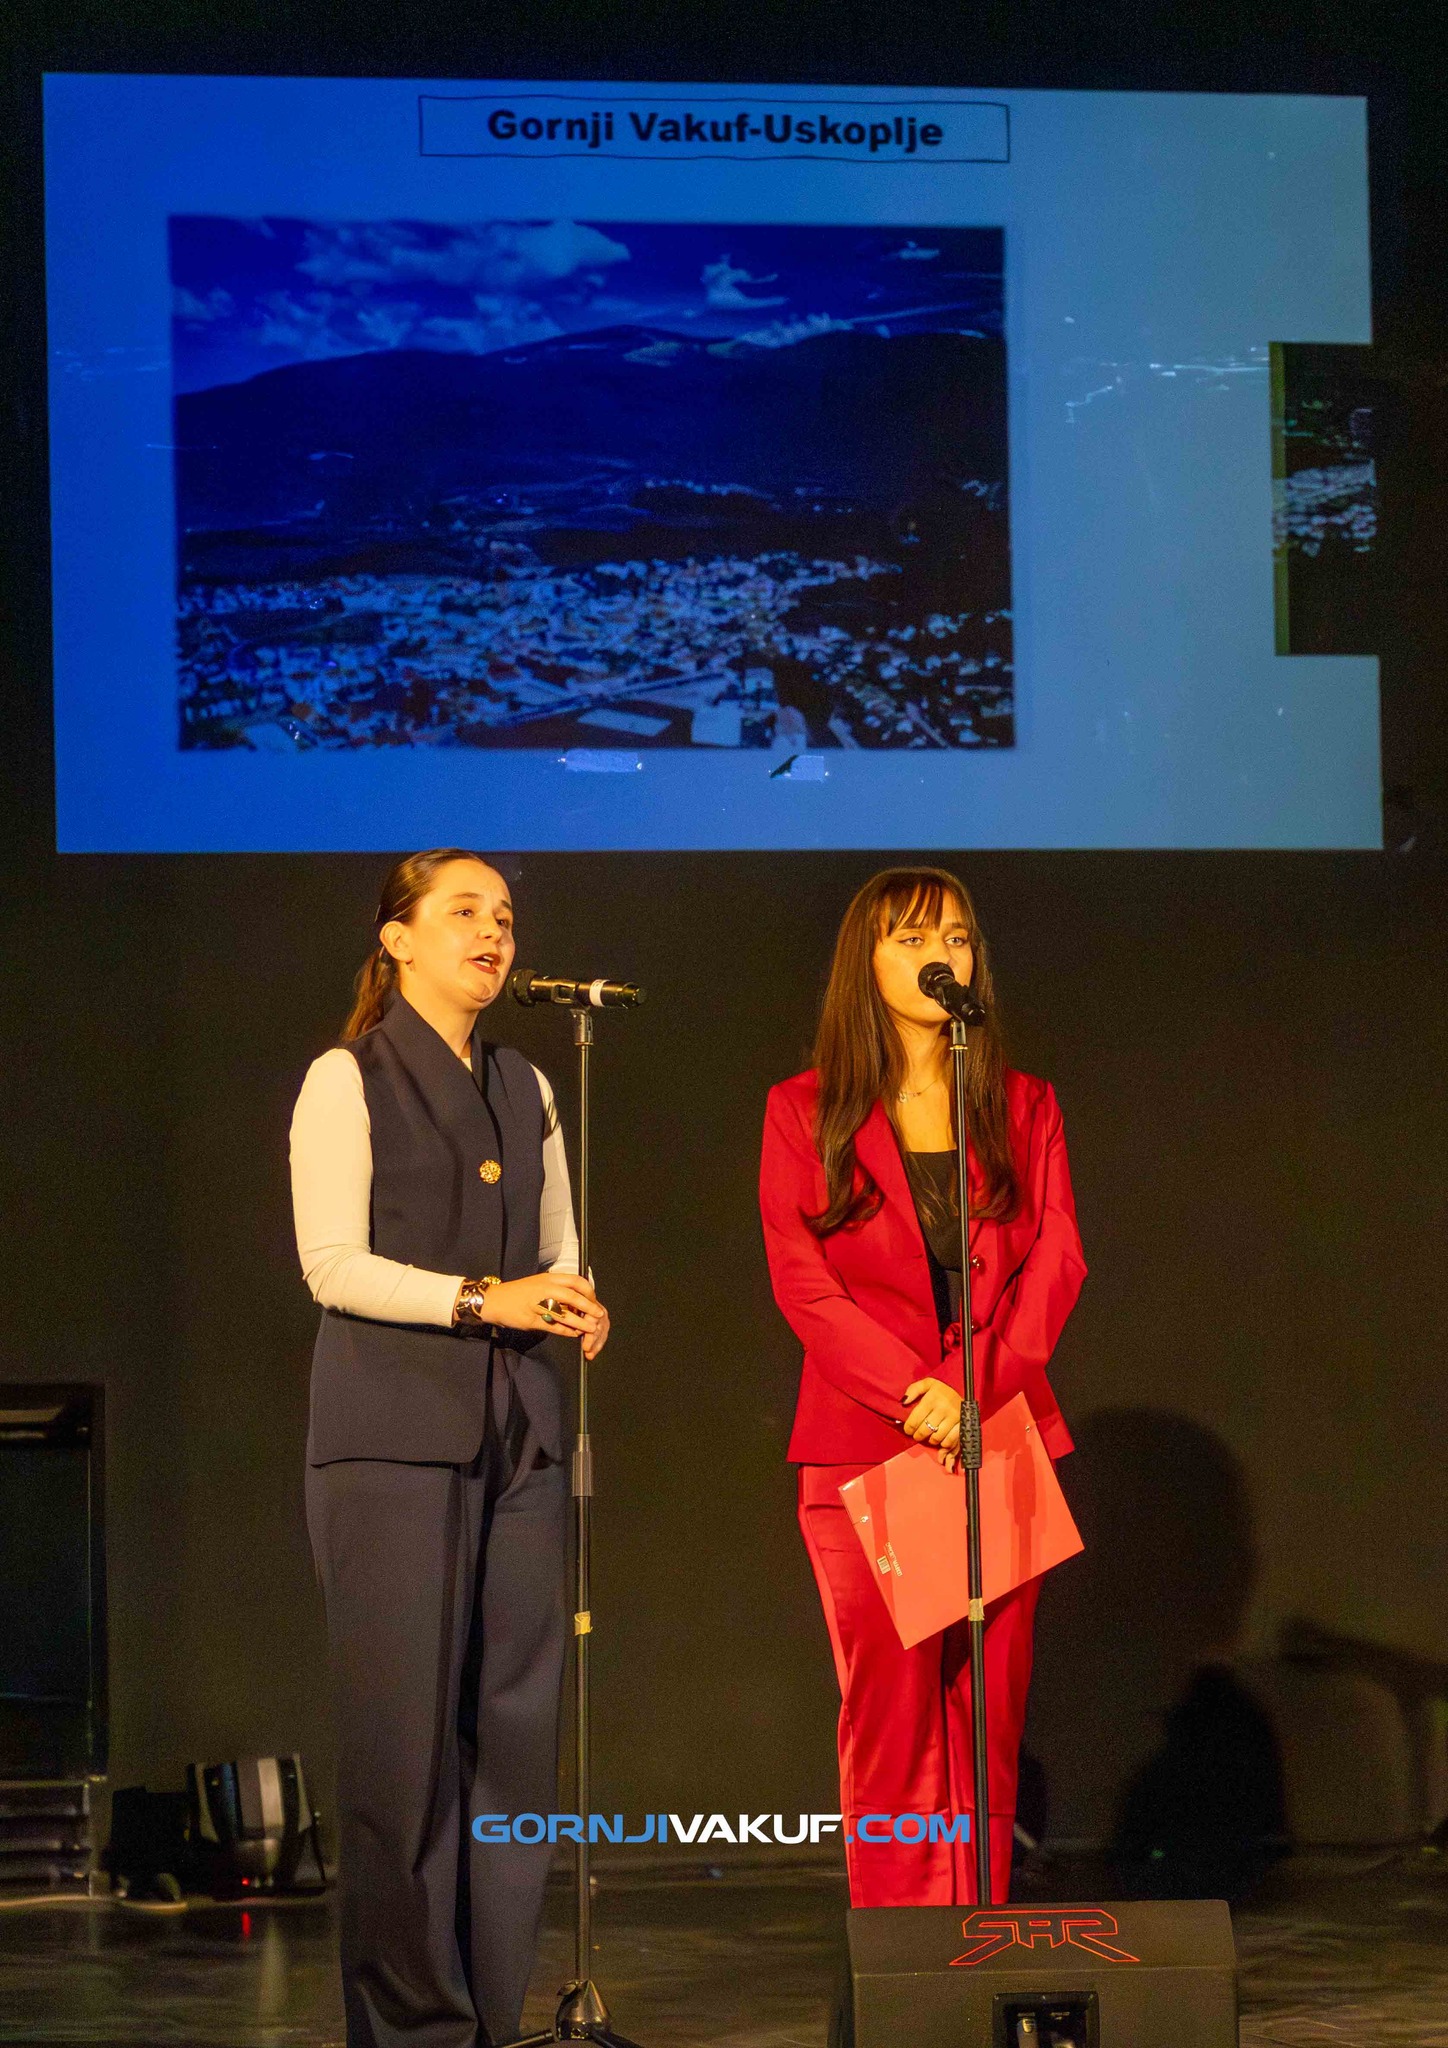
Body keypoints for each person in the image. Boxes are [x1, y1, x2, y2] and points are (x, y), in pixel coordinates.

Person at [290, 847, 610, 2048]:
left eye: (505, 915)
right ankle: (410, 2025)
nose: (493, 932)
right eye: (464, 910)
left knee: (512, 1741)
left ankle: (485, 2011)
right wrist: (485, 1299)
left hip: (518, 1437)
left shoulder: (525, 1082)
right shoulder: (347, 1076)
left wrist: (573, 1296)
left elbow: (559, 1246)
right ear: (398, 938)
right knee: (403, 1752)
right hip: (389, 1446)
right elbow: (332, 1264)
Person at [758, 867, 1085, 1907]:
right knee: (892, 1722)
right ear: (865, 962)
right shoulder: (803, 1108)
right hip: (867, 1441)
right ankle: (905, 1952)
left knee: (986, 1720)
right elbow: (803, 1281)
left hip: (1000, 1434)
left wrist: (971, 1388)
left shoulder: (1023, 1104)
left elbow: (1057, 1263)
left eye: (954, 936)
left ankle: (974, 1942)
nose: (939, 954)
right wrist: (918, 1394)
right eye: (909, 938)